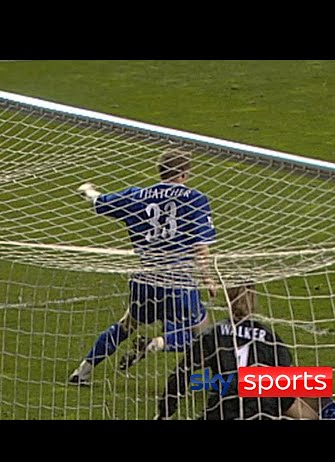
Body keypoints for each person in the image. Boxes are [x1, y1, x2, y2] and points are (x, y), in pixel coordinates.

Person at [68, 149, 217, 385]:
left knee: (126, 325)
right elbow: (201, 247)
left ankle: (82, 371)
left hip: (145, 279)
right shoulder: (195, 199)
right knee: (203, 331)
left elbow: (98, 201)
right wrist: (208, 279)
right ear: (184, 175)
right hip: (178, 280)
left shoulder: (137, 196)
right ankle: (161, 346)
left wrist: (88, 190)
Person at [156, 282, 319, 420]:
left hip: (223, 411)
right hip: (261, 414)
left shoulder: (215, 334)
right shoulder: (270, 339)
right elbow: (286, 396)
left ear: (227, 297)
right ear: (254, 299)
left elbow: (182, 373)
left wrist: (165, 411)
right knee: (316, 384)